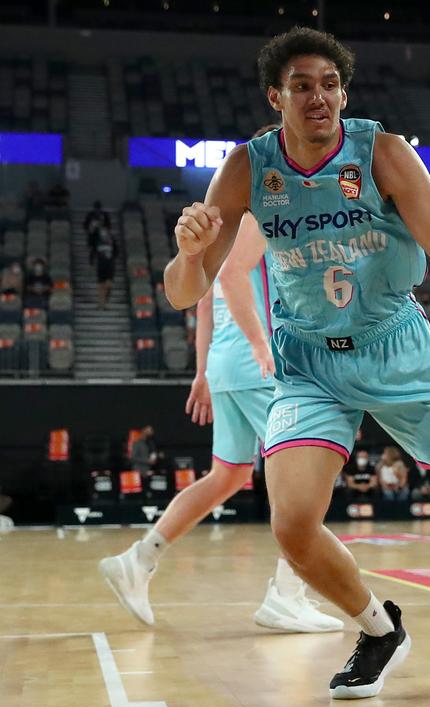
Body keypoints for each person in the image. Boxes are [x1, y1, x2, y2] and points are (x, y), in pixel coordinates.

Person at [162, 26, 430, 699]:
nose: (318, 96)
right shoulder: (246, 168)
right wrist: (187, 250)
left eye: (329, 84)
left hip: (397, 350)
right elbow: (187, 290)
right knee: (291, 523)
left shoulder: (381, 151)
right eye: (302, 85)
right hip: (308, 362)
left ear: (343, 93)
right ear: (277, 97)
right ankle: (378, 628)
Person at [100, 200, 343, 633]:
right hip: (261, 363)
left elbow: (204, 301)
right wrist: (256, 344)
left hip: (228, 366)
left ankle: (140, 558)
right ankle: (288, 596)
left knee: (226, 477)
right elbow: (230, 284)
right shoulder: (266, 217)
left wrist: (203, 371)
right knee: (304, 477)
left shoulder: (226, 228)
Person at [94, 223, 118, 309]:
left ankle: (105, 301)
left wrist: (112, 260)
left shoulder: (112, 240)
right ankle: (101, 303)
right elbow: (93, 251)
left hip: (109, 265)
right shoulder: (97, 240)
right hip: (101, 264)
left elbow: (116, 251)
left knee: (108, 285)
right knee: (101, 285)